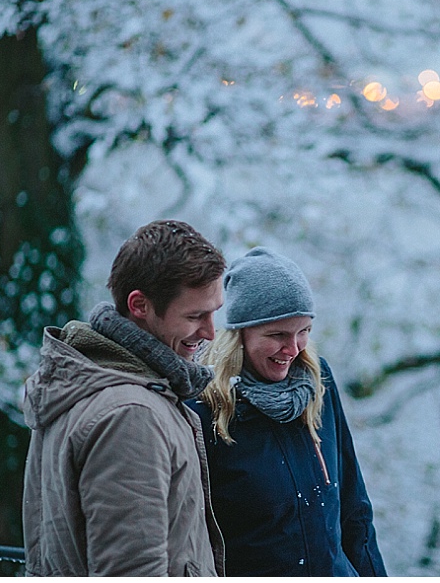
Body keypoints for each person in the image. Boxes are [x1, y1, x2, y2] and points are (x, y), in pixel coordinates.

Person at [22, 220, 227, 577]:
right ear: (139, 306)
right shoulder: (131, 414)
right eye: (195, 316)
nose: (210, 332)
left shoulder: (96, 385)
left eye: (214, 313)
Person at [190, 246, 388, 577]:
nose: (293, 349)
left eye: (304, 332)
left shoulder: (318, 382)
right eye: (278, 335)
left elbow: (355, 510)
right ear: (239, 334)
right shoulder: (202, 408)